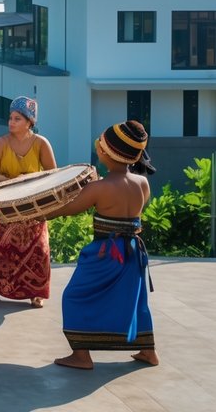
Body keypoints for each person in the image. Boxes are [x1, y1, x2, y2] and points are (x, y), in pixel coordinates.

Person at [46, 120, 158, 370]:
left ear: (107, 153)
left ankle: (81, 355)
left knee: (75, 296)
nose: (98, 147)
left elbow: (68, 209)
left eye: (100, 145)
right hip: (133, 253)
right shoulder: (143, 183)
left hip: (105, 254)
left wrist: (39, 213)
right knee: (134, 300)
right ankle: (148, 351)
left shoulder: (100, 187)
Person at [0, 96, 56, 308]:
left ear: (29, 122)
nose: (11, 122)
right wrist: (9, 187)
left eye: (17, 118)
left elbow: (52, 175)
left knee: (38, 250)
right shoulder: (1, 143)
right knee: (1, 251)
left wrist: (28, 185)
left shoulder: (41, 144)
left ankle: (36, 292)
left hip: (32, 207)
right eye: (10, 118)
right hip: (5, 206)